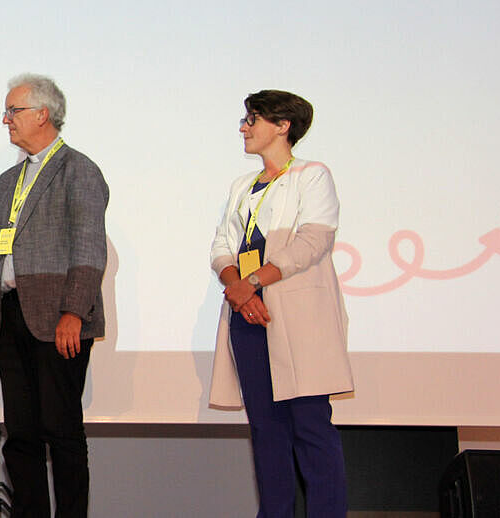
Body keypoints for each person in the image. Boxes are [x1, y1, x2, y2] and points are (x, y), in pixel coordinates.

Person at [0, 74, 109, 518]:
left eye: (13, 111)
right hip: (12, 317)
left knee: (62, 432)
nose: (5, 120)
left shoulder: (79, 170)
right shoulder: (8, 181)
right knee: (22, 436)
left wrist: (74, 311)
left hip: (59, 317)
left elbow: (89, 249)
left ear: (42, 115)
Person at [208, 90, 353, 517]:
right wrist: (238, 286)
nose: (244, 128)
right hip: (248, 315)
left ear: (282, 125)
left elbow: (313, 242)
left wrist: (252, 282)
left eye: (252, 120)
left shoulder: (312, 175)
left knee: (310, 428)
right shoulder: (241, 186)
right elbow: (221, 245)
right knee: (267, 432)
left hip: (295, 317)